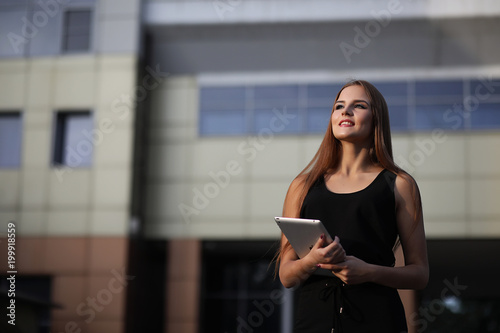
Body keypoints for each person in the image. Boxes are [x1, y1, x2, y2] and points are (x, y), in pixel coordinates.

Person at [275, 80, 429, 333]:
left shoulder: (400, 184)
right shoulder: (302, 186)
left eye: (358, 106)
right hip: (315, 321)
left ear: (376, 118)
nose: (345, 111)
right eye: (339, 106)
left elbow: (420, 274)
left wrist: (368, 272)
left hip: (378, 319)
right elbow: (287, 275)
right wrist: (312, 260)